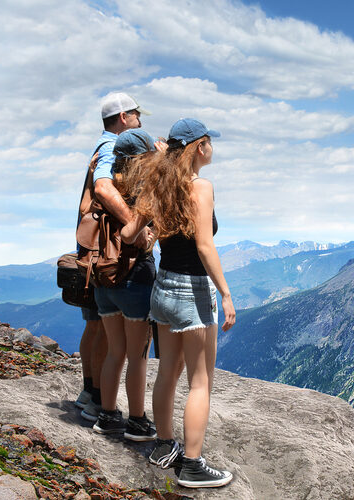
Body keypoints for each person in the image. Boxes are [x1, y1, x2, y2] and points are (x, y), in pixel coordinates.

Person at [121, 118, 236, 488]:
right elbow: (204, 245)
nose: (212, 148)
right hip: (193, 291)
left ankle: (163, 445)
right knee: (200, 382)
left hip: (163, 288)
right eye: (209, 143)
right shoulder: (201, 187)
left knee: (167, 371)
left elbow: (127, 233)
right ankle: (192, 464)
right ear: (199, 146)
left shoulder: (157, 185)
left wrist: (151, 230)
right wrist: (226, 293)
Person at [83, 94, 158, 444]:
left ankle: (108, 415)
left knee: (115, 351)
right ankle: (138, 421)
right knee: (137, 357)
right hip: (134, 276)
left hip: (103, 274)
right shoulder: (141, 189)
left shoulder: (107, 182)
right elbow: (139, 233)